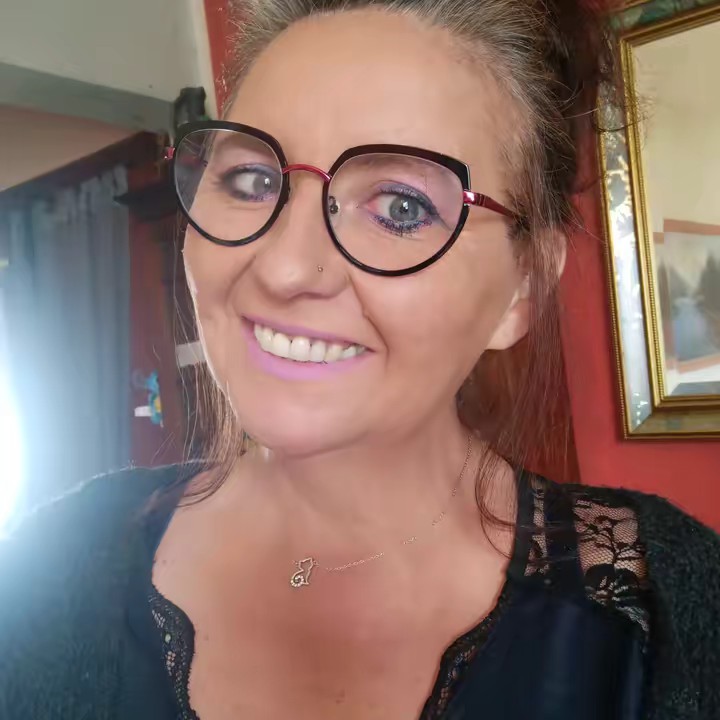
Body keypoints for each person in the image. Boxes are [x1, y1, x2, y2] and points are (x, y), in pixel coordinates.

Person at [1, 0, 719, 718]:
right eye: (253, 181)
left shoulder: (667, 617)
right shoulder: (48, 567)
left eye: (401, 208)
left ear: (523, 287)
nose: (283, 268)